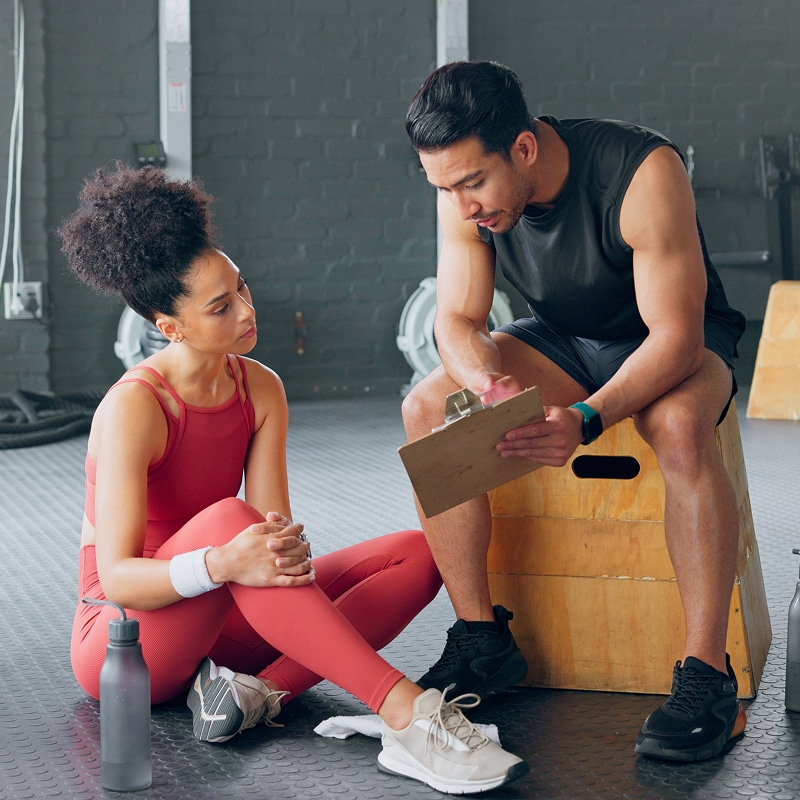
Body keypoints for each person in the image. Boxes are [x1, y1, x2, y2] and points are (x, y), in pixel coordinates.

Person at [60, 162, 528, 795]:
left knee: (418, 555)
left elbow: (272, 530)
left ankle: (256, 696)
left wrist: (271, 552)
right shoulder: (134, 408)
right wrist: (226, 560)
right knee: (231, 521)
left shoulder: (260, 388)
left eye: (243, 289)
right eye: (222, 307)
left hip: (222, 614)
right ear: (169, 327)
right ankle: (406, 715)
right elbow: (118, 577)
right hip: (127, 640)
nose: (249, 311)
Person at [402, 60, 748, 764]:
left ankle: (707, 672)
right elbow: (458, 319)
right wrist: (486, 384)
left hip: (674, 337)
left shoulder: (642, 169)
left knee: (677, 426)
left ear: (523, 148)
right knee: (430, 403)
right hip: (565, 341)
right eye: (444, 186)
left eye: (472, 182)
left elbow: (676, 338)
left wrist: (588, 418)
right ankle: (481, 640)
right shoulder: (460, 191)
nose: (463, 205)